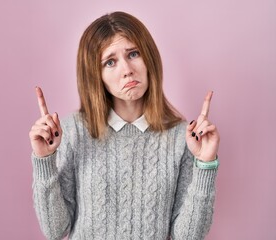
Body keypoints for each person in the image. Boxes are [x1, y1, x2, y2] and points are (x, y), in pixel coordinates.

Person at [29, 11, 220, 240]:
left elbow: (188, 236)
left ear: (149, 58)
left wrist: (205, 165)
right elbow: (55, 230)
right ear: (95, 75)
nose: (127, 69)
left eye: (133, 54)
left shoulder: (182, 137)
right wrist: (44, 161)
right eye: (110, 62)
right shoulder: (73, 131)